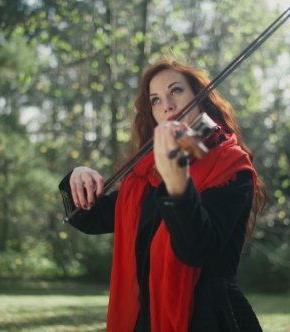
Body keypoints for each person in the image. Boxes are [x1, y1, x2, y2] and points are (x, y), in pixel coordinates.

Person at [59, 60, 266, 332]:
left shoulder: (231, 167)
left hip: (207, 317)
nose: (166, 105)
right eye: (155, 100)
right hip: (143, 319)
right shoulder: (148, 173)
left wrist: (178, 182)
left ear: (201, 99)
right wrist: (78, 177)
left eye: (176, 91)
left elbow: (198, 250)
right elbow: (91, 217)